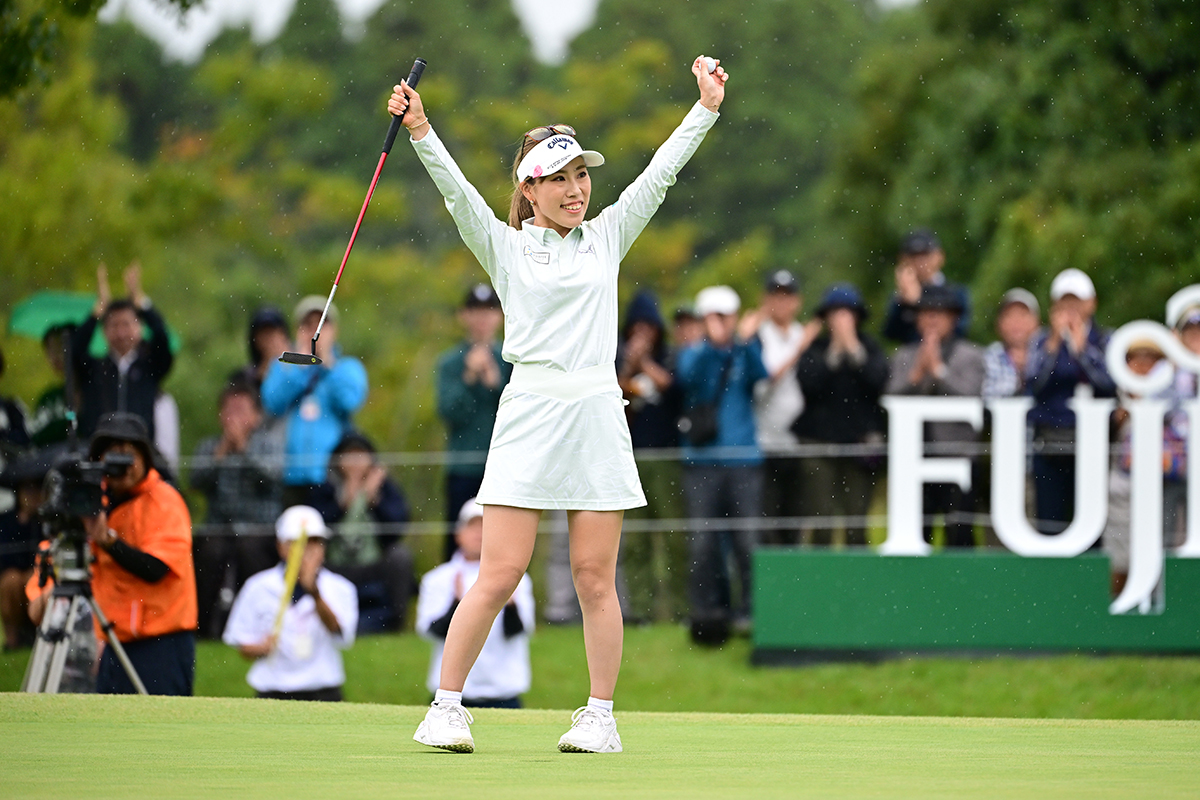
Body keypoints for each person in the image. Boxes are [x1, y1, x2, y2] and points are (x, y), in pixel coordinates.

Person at [389, 54, 727, 753]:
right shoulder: (507, 248)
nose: (577, 189)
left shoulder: (606, 235)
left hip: (598, 413)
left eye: (581, 175)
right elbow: (456, 195)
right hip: (531, 413)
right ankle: (446, 707)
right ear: (530, 188)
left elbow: (659, 174)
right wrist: (421, 129)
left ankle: (599, 716)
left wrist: (705, 109)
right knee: (501, 572)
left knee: (593, 577)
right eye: (561, 179)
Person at [675, 285, 768, 644]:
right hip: (701, 462)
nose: (721, 324)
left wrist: (743, 343)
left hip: (744, 460)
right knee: (703, 541)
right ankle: (708, 613)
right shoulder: (692, 352)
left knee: (747, 539)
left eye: (726, 317)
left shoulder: (747, 349)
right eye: (714, 317)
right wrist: (713, 346)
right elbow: (689, 379)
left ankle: (750, 611)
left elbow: (763, 374)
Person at [84, 412, 197, 695]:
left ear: (146, 458)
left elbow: (155, 569)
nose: (124, 466)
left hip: (160, 642)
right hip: (112, 638)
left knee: (160, 733)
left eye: (129, 455)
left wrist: (108, 541)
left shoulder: (164, 500)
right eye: (113, 457)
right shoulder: (94, 503)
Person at [222, 505, 358, 701]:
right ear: (281, 547)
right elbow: (243, 644)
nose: (309, 551)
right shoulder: (257, 587)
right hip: (273, 690)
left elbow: (339, 631)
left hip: (324, 691)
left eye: (316, 543)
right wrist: (260, 648)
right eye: (300, 543)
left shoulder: (341, 588)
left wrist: (314, 593)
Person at [887, 284, 985, 547]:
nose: (932, 319)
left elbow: (972, 399)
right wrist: (917, 374)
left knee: (960, 535)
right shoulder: (904, 357)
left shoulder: (972, 355)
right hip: (912, 461)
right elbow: (889, 400)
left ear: (953, 319)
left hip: (957, 459)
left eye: (939, 313)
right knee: (914, 537)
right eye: (926, 312)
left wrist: (940, 371)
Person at [792, 284, 889, 547]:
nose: (841, 321)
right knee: (821, 519)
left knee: (857, 521)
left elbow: (879, 382)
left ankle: (856, 583)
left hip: (859, 445)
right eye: (835, 315)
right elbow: (808, 385)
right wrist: (833, 355)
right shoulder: (815, 349)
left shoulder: (870, 347)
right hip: (819, 443)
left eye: (847, 314)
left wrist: (855, 352)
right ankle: (821, 581)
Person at [190, 378, 285, 638]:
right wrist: (220, 455)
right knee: (208, 551)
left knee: (250, 550)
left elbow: (272, 480)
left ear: (256, 416)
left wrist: (243, 450)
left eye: (241, 410)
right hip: (220, 528)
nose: (233, 417)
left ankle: (254, 628)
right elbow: (196, 482)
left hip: (260, 529)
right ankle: (203, 630)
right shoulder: (210, 446)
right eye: (228, 410)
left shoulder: (268, 444)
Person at [417, 499, 534, 708]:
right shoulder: (437, 579)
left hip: (504, 694)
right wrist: (456, 603)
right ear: (458, 533)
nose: (480, 533)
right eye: (473, 526)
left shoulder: (520, 580)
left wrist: (510, 604)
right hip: (451, 697)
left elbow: (518, 630)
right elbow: (431, 632)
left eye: (486, 526)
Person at [1025, 269, 1117, 534]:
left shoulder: (1105, 339)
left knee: (1091, 528)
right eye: (1064, 303)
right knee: (1049, 524)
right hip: (1049, 445)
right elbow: (1035, 384)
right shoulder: (1042, 340)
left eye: (1077, 302)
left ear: (1092, 304)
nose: (1071, 309)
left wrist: (1082, 351)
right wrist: (1054, 345)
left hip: (1093, 445)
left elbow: (1109, 383)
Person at [616, 290, 686, 623]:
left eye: (649, 327)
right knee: (636, 542)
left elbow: (673, 389)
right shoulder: (614, 358)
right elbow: (611, 394)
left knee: (675, 538)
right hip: (630, 459)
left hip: (666, 457)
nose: (643, 333)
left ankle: (680, 608)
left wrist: (644, 362)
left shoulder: (670, 357)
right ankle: (640, 611)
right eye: (637, 327)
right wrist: (629, 365)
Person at [261, 296, 368, 507]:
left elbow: (350, 402)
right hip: (287, 476)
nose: (314, 331)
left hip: (332, 476)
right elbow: (272, 403)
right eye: (307, 325)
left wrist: (327, 362)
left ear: (334, 330)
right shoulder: (283, 367)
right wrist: (302, 364)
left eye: (322, 324)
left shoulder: (348, 368)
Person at [306, 431, 415, 632]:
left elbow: (398, 527)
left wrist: (375, 500)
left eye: (360, 455)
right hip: (334, 565)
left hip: (373, 564)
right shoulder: (326, 487)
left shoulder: (385, 488)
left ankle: (395, 624)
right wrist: (342, 503)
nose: (355, 462)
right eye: (349, 455)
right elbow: (314, 526)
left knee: (401, 556)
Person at [436, 284, 512, 560]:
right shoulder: (449, 363)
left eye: (489, 311)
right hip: (463, 466)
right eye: (476, 311)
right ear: (463, 316)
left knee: (507, 545)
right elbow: (449, 412)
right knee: (457, 544)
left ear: (500, 316)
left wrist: (496, 384)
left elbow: (522, 414)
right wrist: (468, 377)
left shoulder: (513, 358)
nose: (482, 318)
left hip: (504, 467)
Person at [742, 269, 817, 545]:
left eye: (788, 297)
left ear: (797, 301)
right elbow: (765, 383)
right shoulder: (758, 337)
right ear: (765, 300)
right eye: (776, 296)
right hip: (764, 445)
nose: (782, 303)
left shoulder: (802, 334)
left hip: (796, 444)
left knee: (795, 523)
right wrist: (798, 350)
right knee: (766, 524)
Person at [70, 262, 174, 440]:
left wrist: (142, 303)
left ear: (139, 328)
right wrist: (97, 312)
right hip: (99, 452)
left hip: (141, 451)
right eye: (114, 325)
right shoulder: (95, 369)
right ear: (104, 331)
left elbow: (162, 338)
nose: (121, 333)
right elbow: (74, 352)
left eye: (126, 324)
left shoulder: (149, 366)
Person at [1102, 338, 1171, 600]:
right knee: (1119, 559)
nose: (1142, 367)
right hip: (1121, 491)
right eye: (1136, 360)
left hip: (1161, 489)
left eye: (1150, 360)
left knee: (1158, 555)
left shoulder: (1171, 400)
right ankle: (1117, 617)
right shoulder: (1111, 398)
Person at [882, 229, 971, 344]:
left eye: (925, 255)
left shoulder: (956, 292)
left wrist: (919, 302)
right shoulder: (899, 298)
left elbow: (961, 330)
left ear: (939, 256)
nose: (920, 262)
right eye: (914, 256)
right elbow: (892, 334)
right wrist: (904, 303)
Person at [0, 450, 50, 651]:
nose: (32, 494)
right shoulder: (6, 521)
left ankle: (41, 633)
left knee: (35, 579)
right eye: (26, 489)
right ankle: (13, 640)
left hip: (38, 573)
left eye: (36, 488)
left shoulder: (48, 520)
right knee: (11, 581)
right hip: (13, 577)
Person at [982, 289, 1041, 399]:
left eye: (1022, 315)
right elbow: (990, 397)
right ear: (999, 324)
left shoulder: (1048, 352)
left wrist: (1027, 369)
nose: (1016, 322)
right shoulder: (990, 355)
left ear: (1036, 322)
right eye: (1009, 315)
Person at [27, 326, 74, 447]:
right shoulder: (50, 398)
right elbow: (35, 437)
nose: (55, 357)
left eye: (60, 348)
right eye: (50, 351)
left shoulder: (96, 392)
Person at [242, 306, 292, 393]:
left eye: (273, 333)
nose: (269, 340)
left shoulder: (303, 369)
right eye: (264, 334)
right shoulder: (246, 377)